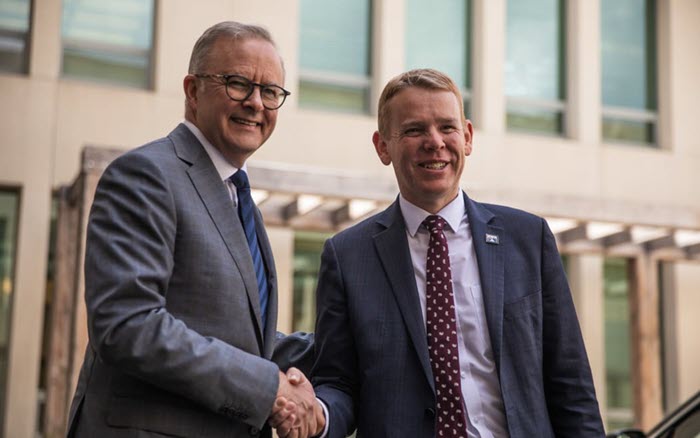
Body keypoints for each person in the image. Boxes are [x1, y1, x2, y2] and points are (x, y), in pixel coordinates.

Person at [310, 69, 605, 437]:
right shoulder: (347, 256)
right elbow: (339, 382)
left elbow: (571, 384)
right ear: (383, 145)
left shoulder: (528, 239)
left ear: (467, 137)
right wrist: (318, 415)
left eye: (447, 127)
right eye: (415, 130)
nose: (434, 142)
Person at [66, 21, 324, 438]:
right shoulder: (145, 174)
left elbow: (239, 338)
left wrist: (344, 345)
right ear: (192, 90)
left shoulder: (238, 197)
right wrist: (267, 385)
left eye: (270, 92)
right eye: (238, 83)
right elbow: (129, 324)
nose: (256, 103)